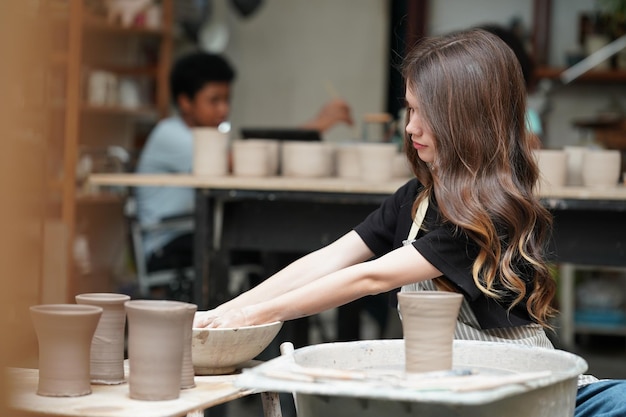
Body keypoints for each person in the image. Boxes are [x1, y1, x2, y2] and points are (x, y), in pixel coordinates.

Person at [194, 29, 626, 417]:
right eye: (409, 109)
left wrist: (260, 315)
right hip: (451, 392)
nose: (411, 127)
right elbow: (330, 259)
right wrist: (228, 312)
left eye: (425, 114)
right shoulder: (415, 199)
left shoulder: (486, 216)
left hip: (528, 395)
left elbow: (370, 277)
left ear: (465, 121)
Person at [135, 52, 353, 290]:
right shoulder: (170, 134)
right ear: (185, 102)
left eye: (227, 100)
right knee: (269, 248)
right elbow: (236, 162)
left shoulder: (208, 137)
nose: (223, 109)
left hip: (197, 231)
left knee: (274, 242)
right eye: (214, 100)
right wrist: (317, 125)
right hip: (167, 241)